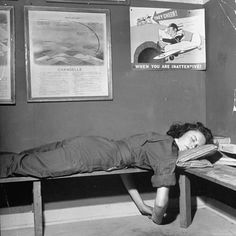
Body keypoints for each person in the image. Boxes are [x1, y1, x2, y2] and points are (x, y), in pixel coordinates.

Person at [0, 121, 213, 225]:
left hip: (92, 145)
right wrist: (157, 220)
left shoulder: (159, 141)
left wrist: (140, 206)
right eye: (193, 138)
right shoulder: (168, 153)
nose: (192, 146)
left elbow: (124, 168)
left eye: (197, 147)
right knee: (20, 165)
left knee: (22, 158)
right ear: (184, 132)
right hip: (90, 156)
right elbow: (161, 202)